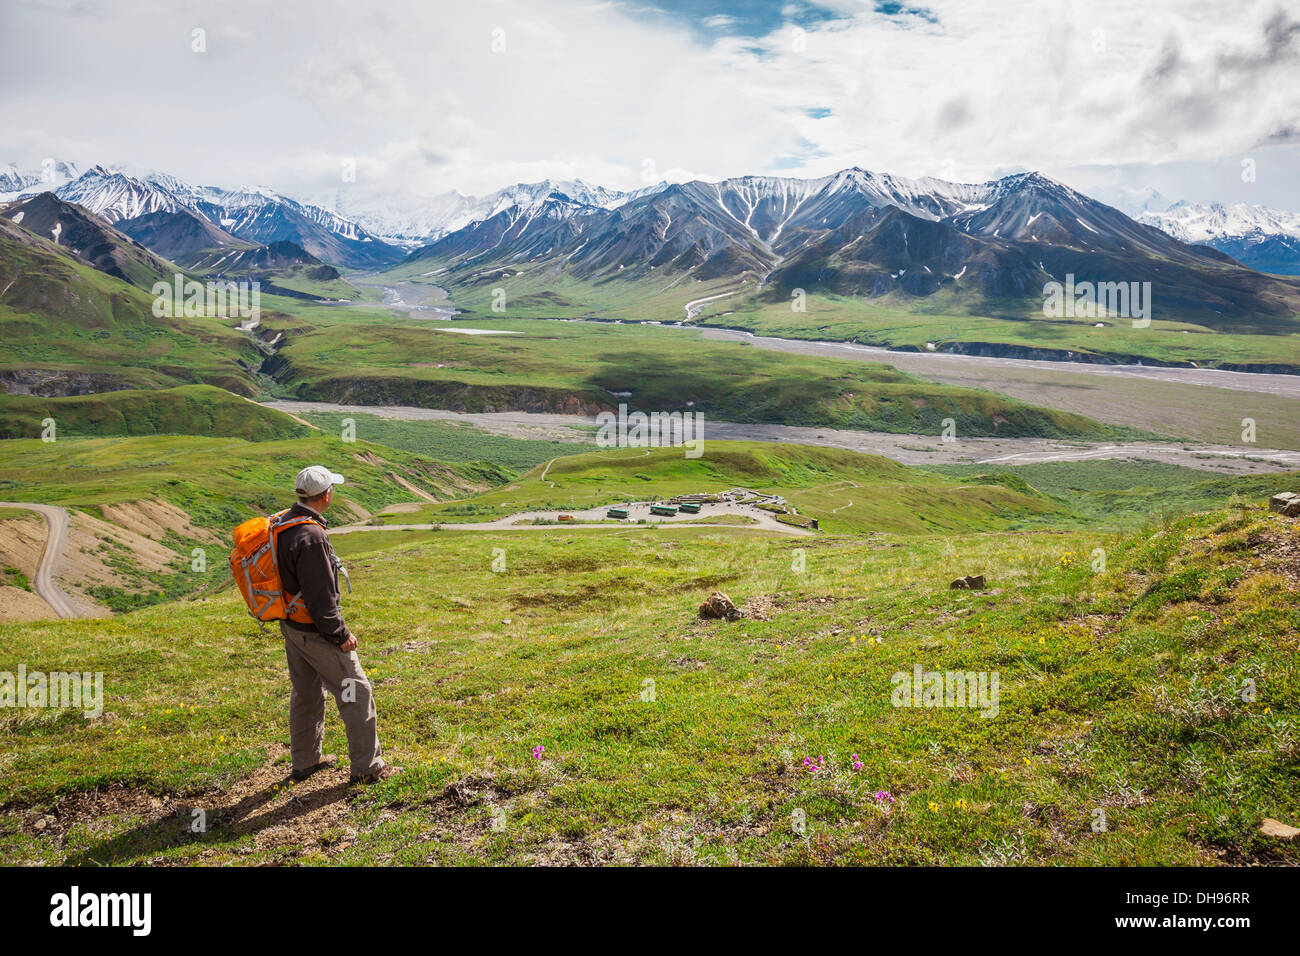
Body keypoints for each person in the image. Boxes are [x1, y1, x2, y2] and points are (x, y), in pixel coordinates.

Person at [277, 465, 397, 784]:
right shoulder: (312, 536)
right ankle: (368, 768)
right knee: (356, 694)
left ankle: (305, 761)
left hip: (292, 627)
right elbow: (320, 598)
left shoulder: (283, 522)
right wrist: (340, 634)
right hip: (316, 632)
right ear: (327, 494)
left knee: (305, 693)